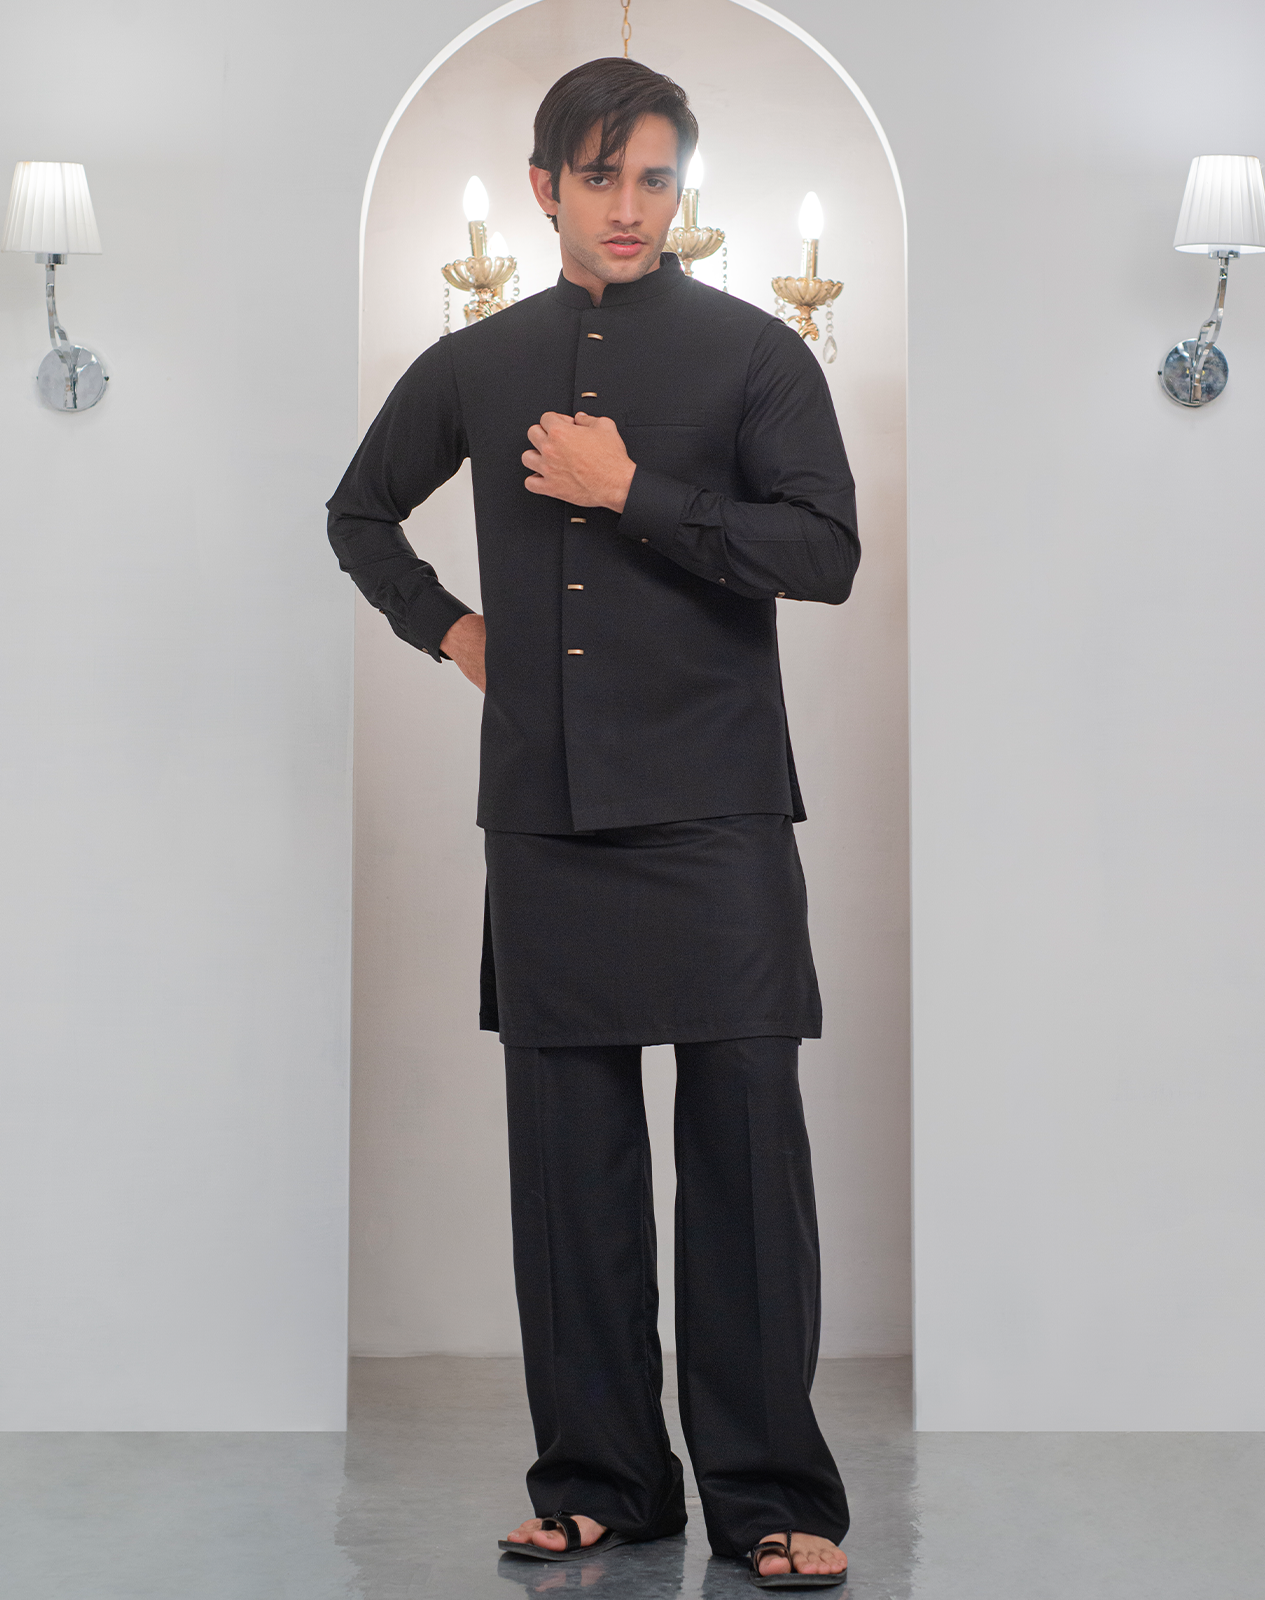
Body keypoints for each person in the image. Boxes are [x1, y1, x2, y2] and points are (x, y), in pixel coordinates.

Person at [327, 55, 857, 1589]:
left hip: (722, 811)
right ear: (545, 184)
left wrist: (632, 492)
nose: (631, 205)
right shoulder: (478, 363)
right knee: (572, 1167)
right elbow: (359, 512)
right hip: (548, 818)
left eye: (657, 178)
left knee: (745, 1153)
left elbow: (824, 555)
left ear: (681, 190)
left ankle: (773, 1497)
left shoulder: (758, 353)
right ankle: (600, 1483)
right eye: (602, 175)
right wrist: (453, 631)